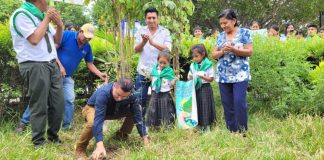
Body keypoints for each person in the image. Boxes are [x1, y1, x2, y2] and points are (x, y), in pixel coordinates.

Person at [15, 23, 108, 132]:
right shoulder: (66, 35)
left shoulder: (87, 47)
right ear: (80, 31)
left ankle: (66, 127)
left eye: (89, 38)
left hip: (67, 78)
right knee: (40, 98)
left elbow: (90, 64)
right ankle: (23, 123)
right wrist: (60, 66)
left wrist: (99, 74)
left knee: (69, 100)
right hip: (51, 73)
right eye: (86, 37)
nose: (87, 40)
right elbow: (52, 50)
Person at [10, 0, 64, 147]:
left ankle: (53, 136)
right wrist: (47, 19)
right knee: (39, 104)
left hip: (51, 63)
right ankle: (39, 141)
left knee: (58, 103)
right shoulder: (21, 14)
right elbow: (34, 39)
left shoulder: (40, 16)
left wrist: (59, 25)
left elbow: (57, 40)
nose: (48, 2)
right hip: (34, 64)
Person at [74, 78, 149, 159]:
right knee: (92, 123)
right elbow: (98, 120)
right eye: (118, 94)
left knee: (137, 109)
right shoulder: (103, 93)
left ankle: (122, 135)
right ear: (114, 87)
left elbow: (138, 116)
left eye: (124, 97)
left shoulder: (133, 95)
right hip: (93, 108)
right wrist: (100, 145)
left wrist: (145, 138)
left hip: (113, 110)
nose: (120, 98)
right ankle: (80, 148)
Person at [212, 9, 253, 135]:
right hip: (223, 74)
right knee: (227, 103)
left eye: (226, 23)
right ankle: (232, 130)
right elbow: (214, 54)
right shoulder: (220, 36)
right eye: (221, 24)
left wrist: (234, 50)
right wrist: (222, 51)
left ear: (234, 21)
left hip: (241, 74)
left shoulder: (245, 33)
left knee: (239, 101)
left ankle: (242, 131)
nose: (223, 26)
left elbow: (249, 51)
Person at [134, 7, 172, 120]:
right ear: (145, 19)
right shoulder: (140, 31)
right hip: (143, 71)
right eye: (149, 18)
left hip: (161, 72)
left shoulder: (165, 32)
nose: (151, 20)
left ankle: (159, 121)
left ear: (158, 18)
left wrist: (152, 42)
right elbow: (136, 49)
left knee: (160, 97)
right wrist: (144, 42)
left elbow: (168, 49)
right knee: (140, 99)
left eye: (154, 18)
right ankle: (140, 122)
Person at [188, 44, 216, 131]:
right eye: (193, 57)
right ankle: (198, 124)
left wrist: (203, 77)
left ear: (203, 54)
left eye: (196, 56)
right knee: (197, 105)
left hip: (205, 87)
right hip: (196, 88)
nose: (195, 59)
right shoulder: (193, 65)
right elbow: (189, 76)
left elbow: (211, 79)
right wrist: (191, 77)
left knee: (205, 105)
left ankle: (207, 125)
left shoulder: (208, 64)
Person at [146, 50, 176, 128]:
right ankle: (153, 125)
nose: (162, 65)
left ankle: (166, 125)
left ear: (168, 63)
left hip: (165, 93)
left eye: (164, 63)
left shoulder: (169, 71)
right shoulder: (155, 69)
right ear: (157, 61)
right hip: (155, 92)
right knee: (153, 108)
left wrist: (174, 81)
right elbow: (152, 78)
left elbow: (171, 82)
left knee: (165, 109)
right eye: (160, 62)